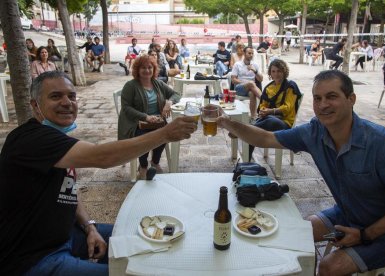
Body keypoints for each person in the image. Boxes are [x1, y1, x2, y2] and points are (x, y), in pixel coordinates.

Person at [218, 70, 385, 276]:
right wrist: (227, 123)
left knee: (329, 267)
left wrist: (364, 235)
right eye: (317, 98)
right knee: (296, 233)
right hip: (350, 212)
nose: (323, 105)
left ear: (351, 99)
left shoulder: (381, 144)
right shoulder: (314, 132)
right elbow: (266, 138)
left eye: (332, 97)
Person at [0, 71, 196, 275]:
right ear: (35, 106)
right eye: (56, 96)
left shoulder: (57, 140)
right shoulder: (31, 139)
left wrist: (90, 227)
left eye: (72, 96)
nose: (67, 102)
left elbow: (68, 192)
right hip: (32, 258)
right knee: (133, 271)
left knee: (153, 241)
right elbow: (102, 157)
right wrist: (164, 134)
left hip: (69, 235)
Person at [118, 55, 182, 179]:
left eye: (150, 67)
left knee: (167, 132)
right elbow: (126, 108)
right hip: (136, 122)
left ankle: (155, 162)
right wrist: (145, 117)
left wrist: (169, 102)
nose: (147, 70)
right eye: (143, 68)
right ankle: (143, 166)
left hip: (157, 121)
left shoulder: (157, 83)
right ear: (137, 69)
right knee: (144, 137)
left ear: (154, 69)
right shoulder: (130, 86)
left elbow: (176, 94)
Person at [249, 59, 298, 161]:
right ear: (270, 73)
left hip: (285, 122)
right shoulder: (269, 88)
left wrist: (271, 111)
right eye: (273, 71)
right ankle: (247, 158)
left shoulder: (290, 86)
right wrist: (263, 111)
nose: (276, 74)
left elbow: (287, 108)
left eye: (279, 71)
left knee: (265, 122)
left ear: (284, 71)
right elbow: (263, 105)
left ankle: (246, 130)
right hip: (269, 119)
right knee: (264, 123)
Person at [231, 46, 263, 119]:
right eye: (249, 53)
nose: (251, 55)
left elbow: (261, 79)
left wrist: (255, 71)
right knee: (251, 83)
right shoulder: (237, 64)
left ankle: (253, 117)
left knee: (252, 93)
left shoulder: (255, 65)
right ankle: (266, 101)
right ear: (244, 53)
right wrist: (245, 82)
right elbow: (233, 79)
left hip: (251, 88)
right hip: (240, 88)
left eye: (252, 53)